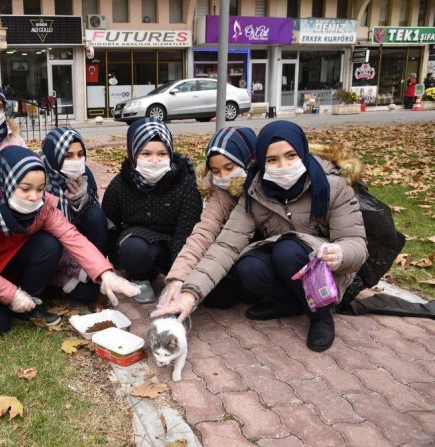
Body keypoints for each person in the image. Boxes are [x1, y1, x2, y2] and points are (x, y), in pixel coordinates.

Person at [162, 121, 368, 352]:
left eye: (291, 155)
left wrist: (339, 253)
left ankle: (321, 314)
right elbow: (225, 245)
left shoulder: (333, 186)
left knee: (287, 250)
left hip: (325, 267)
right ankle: (290, 304)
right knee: (248, 267)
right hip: (280, 260)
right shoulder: (255, 192)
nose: (283, 166)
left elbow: (356, 243)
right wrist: (189, 292)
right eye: (272, 160)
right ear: (261, 161)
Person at [0, 146, 140, 328]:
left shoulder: (43, 205)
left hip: (13, 263)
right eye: (25, 188)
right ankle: (11, 300)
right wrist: (12, 294)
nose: (34, 197)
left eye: (40, 189)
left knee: (49, 244)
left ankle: (30, 304)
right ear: (5, 182)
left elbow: (71, 235)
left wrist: (105, 274)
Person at [153, 127, 258, 313]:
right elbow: (204, 233)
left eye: (229, 168)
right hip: (232, 252)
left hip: (264, 256)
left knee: (252, 272)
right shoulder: (221, 192)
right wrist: (177, 279)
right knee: (219, 296)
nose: (223, 177)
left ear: (248, 161)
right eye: (216, 171)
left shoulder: (265, 188)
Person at [102, 117, 202, 303]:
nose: (154, 161)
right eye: (146, 154)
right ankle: (140, 278)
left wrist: (177, 276)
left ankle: (168, 277)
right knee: (133, 248)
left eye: (162, 154)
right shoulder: (120, 184)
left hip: (175, 248)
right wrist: (118, 264)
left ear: (170, 153)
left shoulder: (185, 183)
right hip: (138, 245)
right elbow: (110, 224)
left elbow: (187, 229)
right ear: (133, 154)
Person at [39, 127, 109, 305]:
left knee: (96, 216)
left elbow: (94, 215)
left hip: (79, 243)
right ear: (54, 155)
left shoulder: (85, 174)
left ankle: (93, 273)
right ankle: (52, 281)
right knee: (49, 242)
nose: (76, 161)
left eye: (80, 154)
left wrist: (81, 201)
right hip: (51, 247)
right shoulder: (39, 176)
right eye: (68, 156)